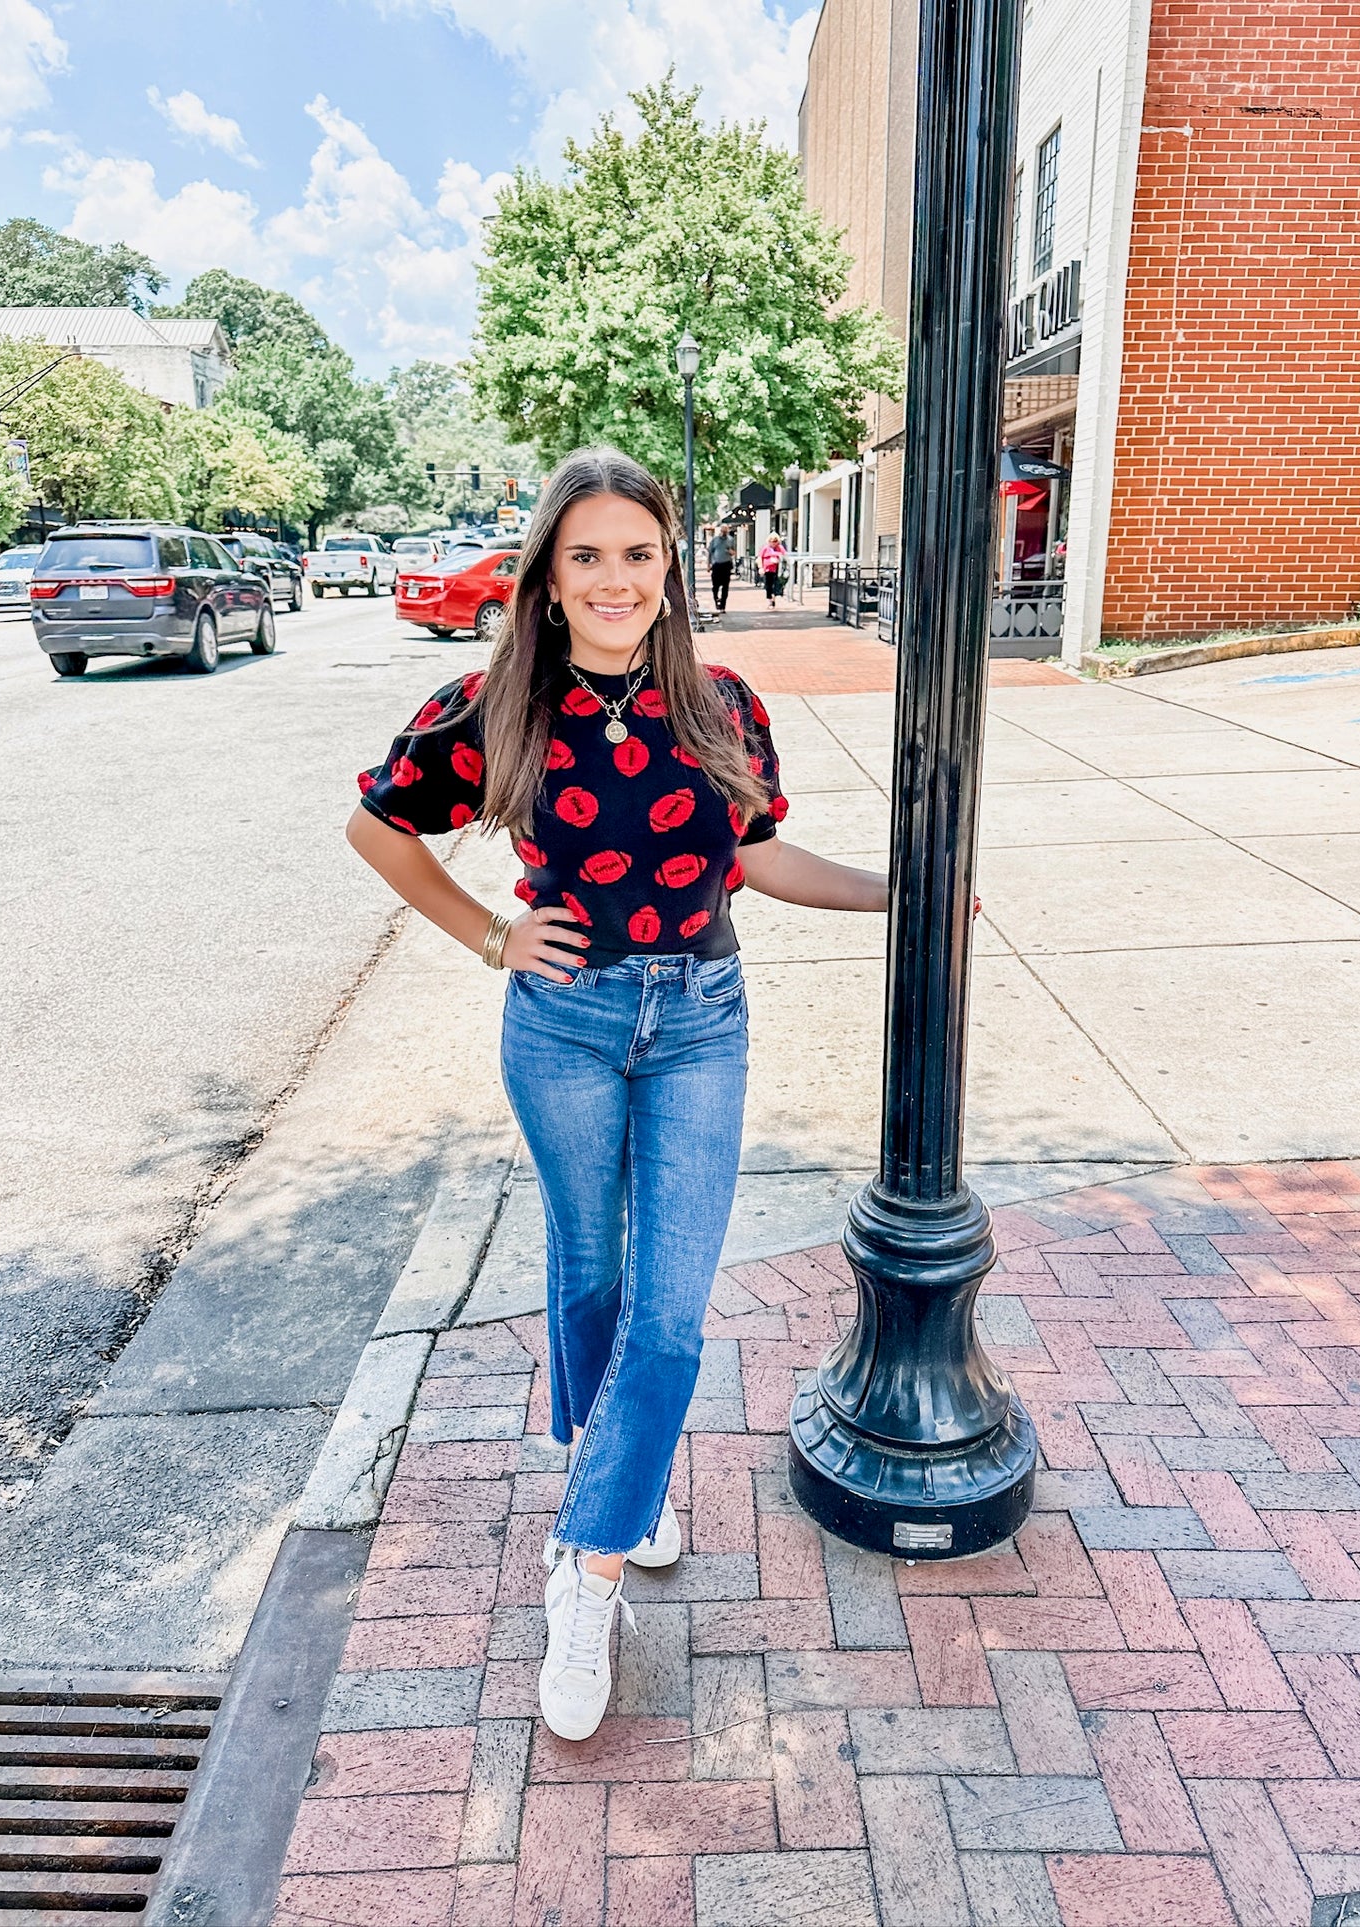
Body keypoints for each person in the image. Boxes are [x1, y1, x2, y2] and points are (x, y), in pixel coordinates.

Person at [348, 447, 887, 1744]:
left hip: (701, 1019)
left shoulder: (723, 704)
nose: (614, 578)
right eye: (585, 554)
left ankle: (583, 1565)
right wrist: (491, 936)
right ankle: (629, 1492)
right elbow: (379, 826)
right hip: (565, 1026)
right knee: (587, 1273)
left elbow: (754, 857)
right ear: (546, 576)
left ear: (669, 571)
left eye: (637, 554)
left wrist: (895, 890)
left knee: (670, 1310)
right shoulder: (493, 709)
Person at [707, 524, 733, 615]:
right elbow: (709, 552)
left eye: (725, 531)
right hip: (716, 565)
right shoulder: (715, 540)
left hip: (726, 565)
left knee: (725, 587)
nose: (724, 533)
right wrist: (708, 564)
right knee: (715, 586)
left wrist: (731, 552)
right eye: (722, 531)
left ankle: (723, 606)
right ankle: (716, 598)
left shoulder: (730, 540)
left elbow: (734, 552)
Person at [759, 532, 787, 607]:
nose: (773, 543)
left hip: (777, 569)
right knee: (768, 585)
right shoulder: (765, 548)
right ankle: (770, 600)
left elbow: (785, 555)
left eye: (775, 541)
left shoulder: (779, 547)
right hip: (767, 569)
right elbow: (760, 557)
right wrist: (761, 567)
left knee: (775, 585)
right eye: (771, 541)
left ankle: (773, 598)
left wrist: (779, 559)